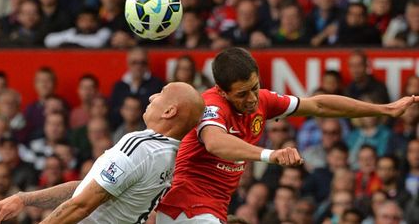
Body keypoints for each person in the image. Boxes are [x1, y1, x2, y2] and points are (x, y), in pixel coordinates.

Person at [157, 47, 419, 224]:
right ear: (222, 91)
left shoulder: (263, 101)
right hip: (184, 201)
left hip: (213, 206)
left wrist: (384, 109)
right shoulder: (211, 105)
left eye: (254, 88)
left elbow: (319, 105)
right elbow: (215, 142)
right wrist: (271, 155)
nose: (251, 99)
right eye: (241, 94)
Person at [0, 82, 205, 224]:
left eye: (161, 94)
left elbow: (81, 205)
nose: (151, 98)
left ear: (169, 111)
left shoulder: (141, 145)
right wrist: (24, 199)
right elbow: (89, 187)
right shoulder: (166, 153)